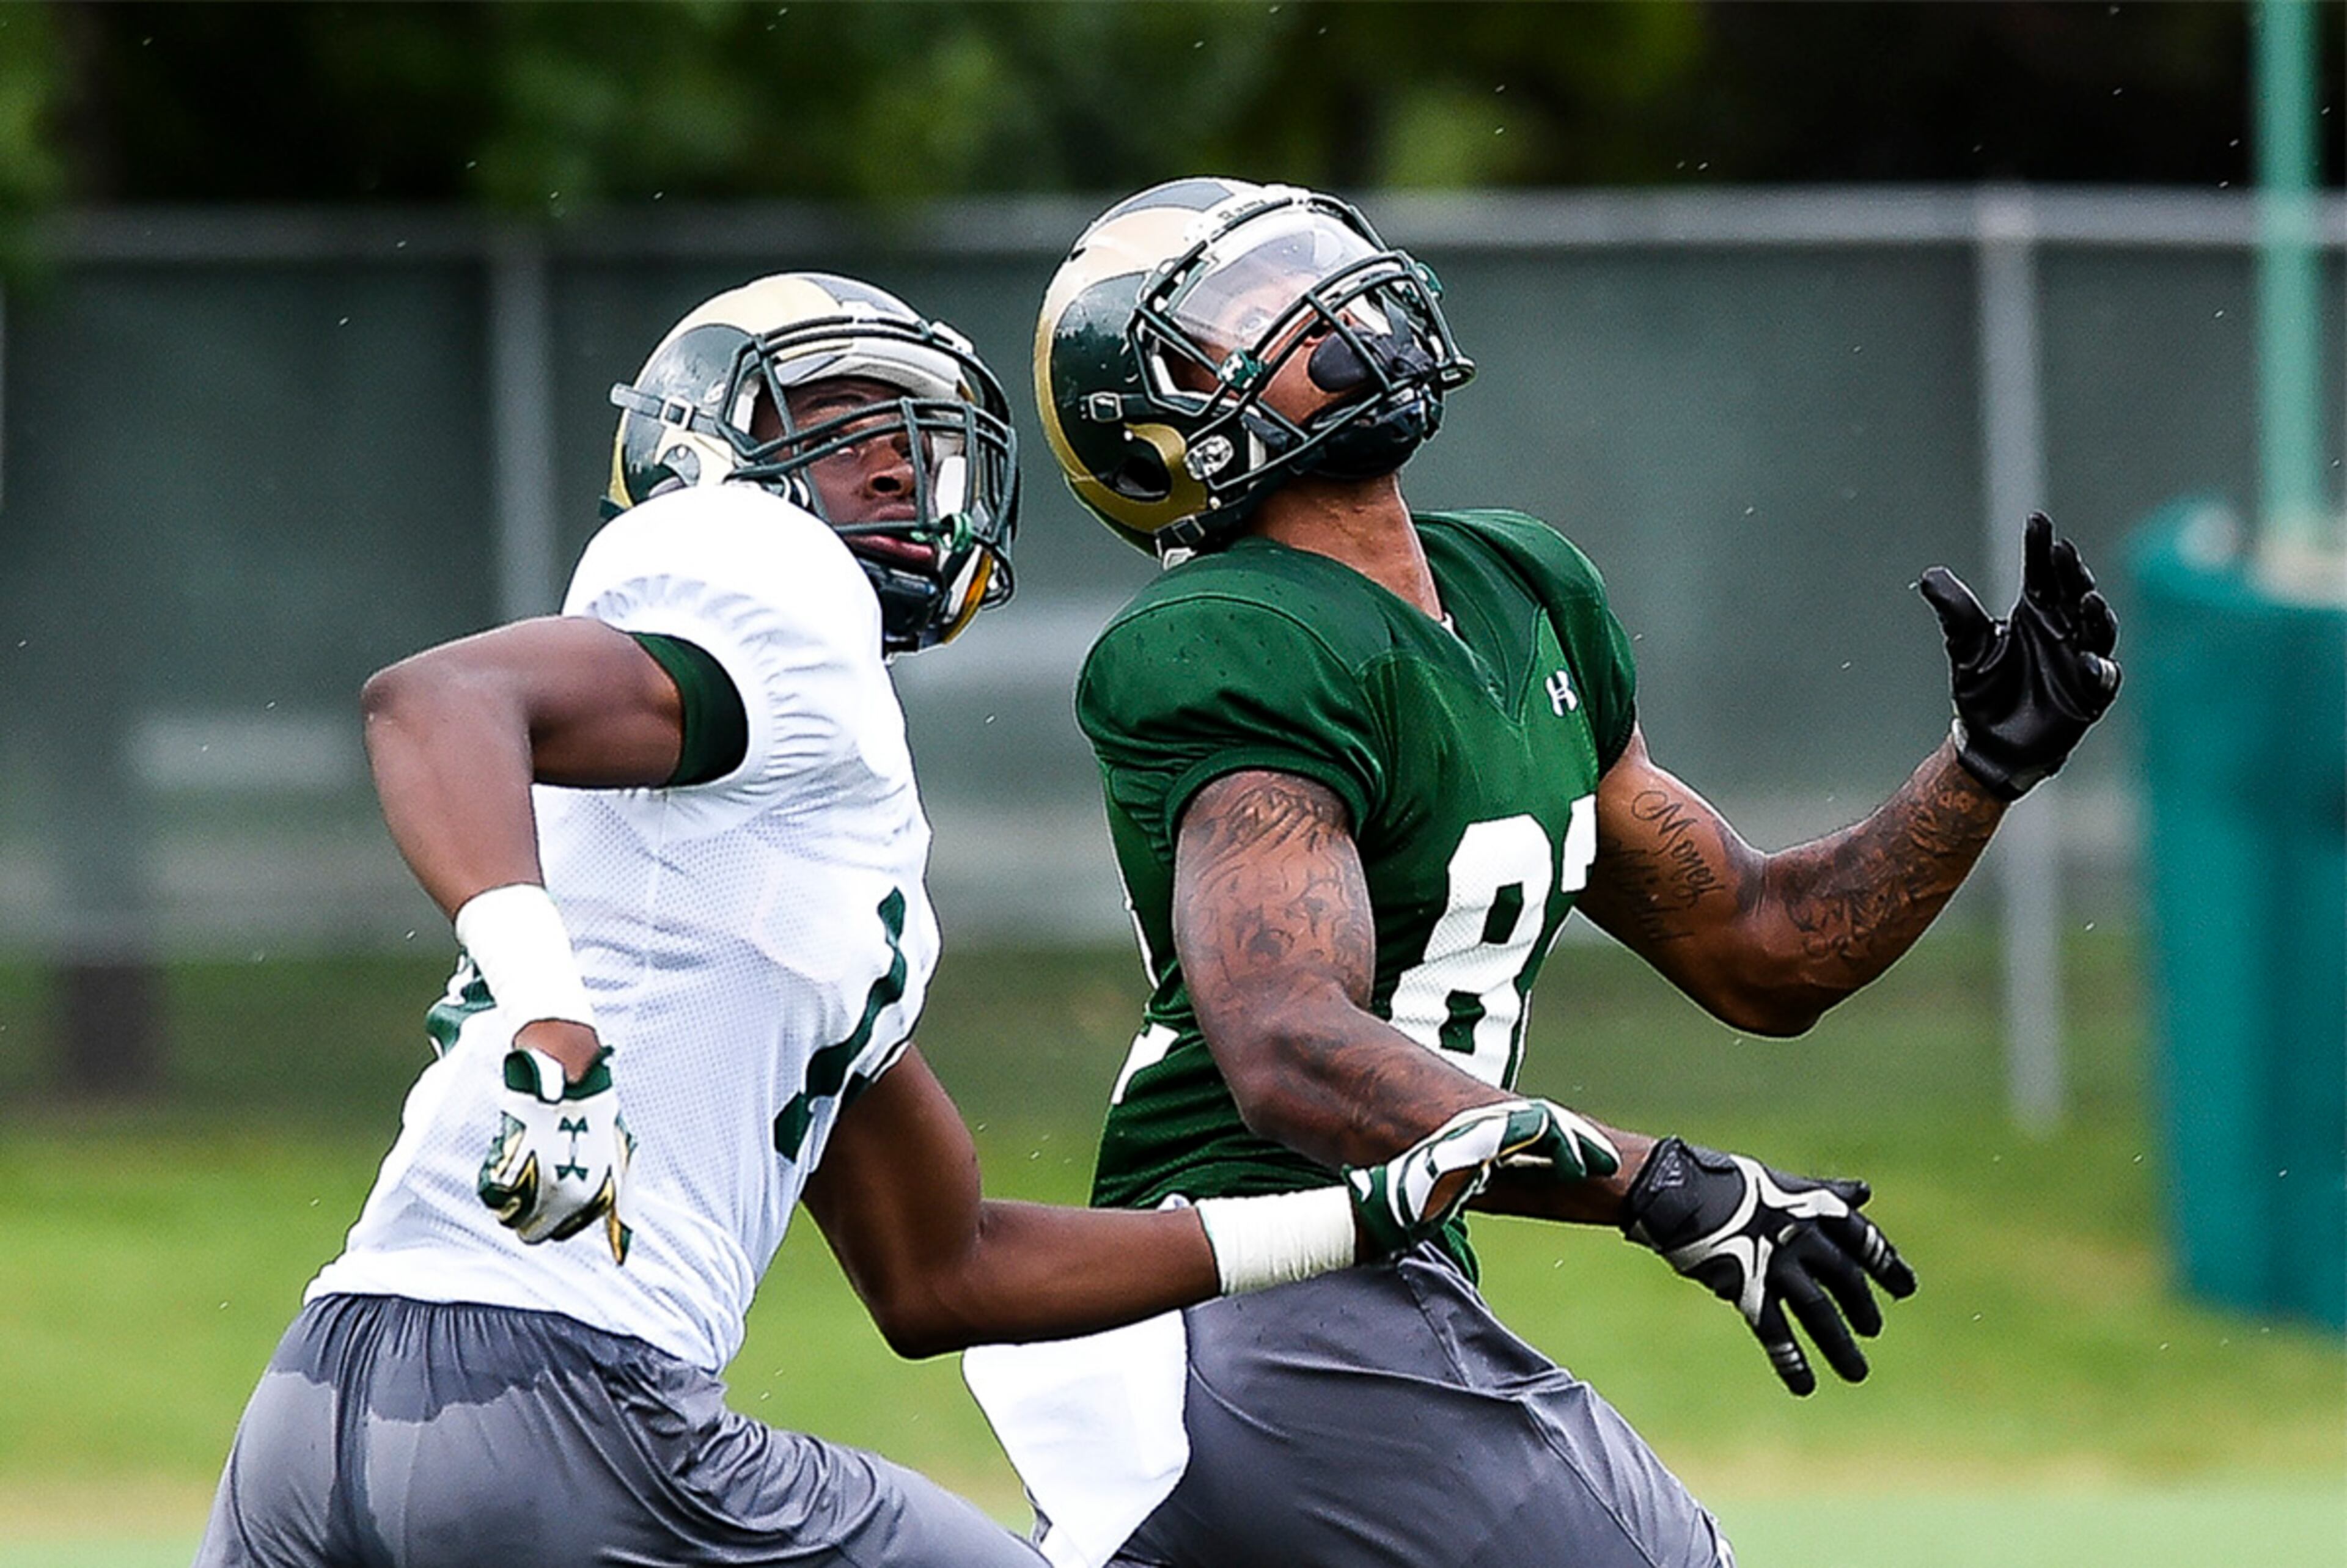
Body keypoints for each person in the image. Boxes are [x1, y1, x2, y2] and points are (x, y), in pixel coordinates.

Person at [191, 271, 1622, 1568]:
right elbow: (437, 697)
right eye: (831, 418)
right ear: (705, 459)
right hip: (574, 1409)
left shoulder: (783, 854)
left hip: (311, 1415)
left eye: (904, 425)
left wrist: (1354, 1216)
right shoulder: (763, 582)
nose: (888, 456)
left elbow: (950, 1270)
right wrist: (551, 1013)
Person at [980, 178, 2120, 1568]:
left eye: (1315, 272)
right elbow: (1289, 1048)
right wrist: (1655, 1182)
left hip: (1335, 1302)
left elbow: (1763, 947)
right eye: (1255, 313)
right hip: (1260, 1279)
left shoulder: (1521, 591)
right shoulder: (1232, 633)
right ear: (1161, 433)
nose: (1335, 315)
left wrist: (1983, 766)